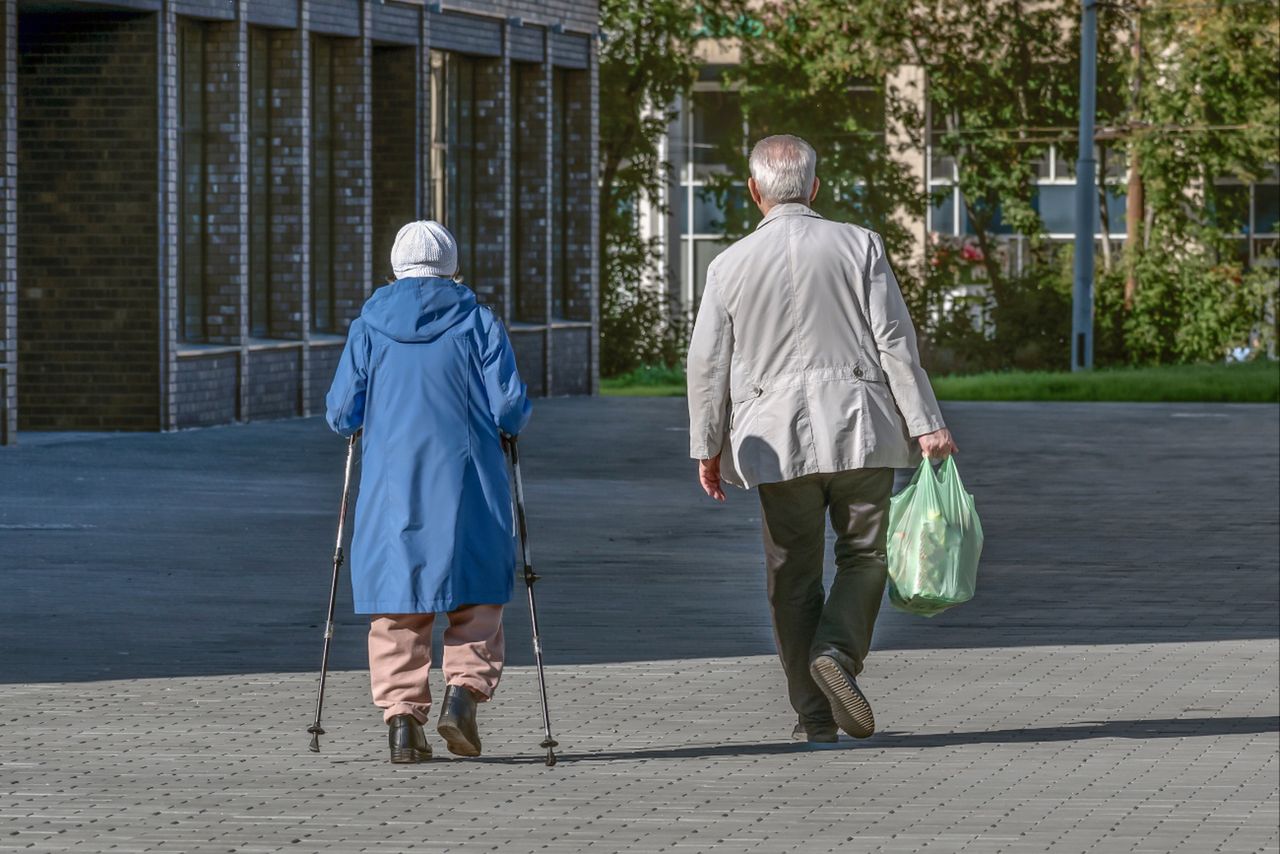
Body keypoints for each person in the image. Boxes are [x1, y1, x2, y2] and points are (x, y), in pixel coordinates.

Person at [686, 135, 957, 743]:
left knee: (792, 573)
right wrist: (926, 423)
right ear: (814, 186)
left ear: (754, 191)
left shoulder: (727, 265)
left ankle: (813, 717)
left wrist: (706, 445)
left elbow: (707, 363)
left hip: (772, 442)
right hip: (860, 424)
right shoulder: (859, 245)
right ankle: (836, 651)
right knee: (865, 555)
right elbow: (894, 341)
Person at [325, 220, 531, 763]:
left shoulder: (368, 326)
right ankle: (461, 695)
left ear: (394, 268)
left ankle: (401, 724)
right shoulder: (479, 322)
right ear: (451, 268)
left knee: (398, 601)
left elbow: (342, 413)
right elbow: (508, 407)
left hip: (393, 490)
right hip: (468, 483)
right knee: (476, 594)